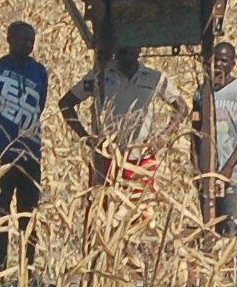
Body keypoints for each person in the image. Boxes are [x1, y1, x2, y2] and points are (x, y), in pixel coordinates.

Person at [59, 43, 187, 187]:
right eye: (124, 44)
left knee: (141, 207)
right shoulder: (99, 76)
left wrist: (163, 137)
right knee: (104, 206)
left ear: (140, 48)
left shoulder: (153, 78)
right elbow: (66, 103)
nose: (128, 49)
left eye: (132, 44)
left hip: (142, 159)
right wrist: (86, 137)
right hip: (107, 158)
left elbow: (181, 107)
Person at [0, 21, 48, 277]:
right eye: (23, 39)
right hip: (2, 155)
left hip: (30, 155)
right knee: (0, 214)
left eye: (31, 39)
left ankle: (27, 272)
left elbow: (40, 106)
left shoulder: (39, 72)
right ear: (9, 40)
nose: (28, 44)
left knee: (28, 216)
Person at [199, 41, 237, 237]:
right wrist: (196, 164)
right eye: (215, 60)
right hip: (206, 172)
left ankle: (233, 265)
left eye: (224, 61)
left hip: (230, 171)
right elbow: (194, 132)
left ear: (233, 63)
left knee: (231, 225)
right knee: (208, 225)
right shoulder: (201, 93)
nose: (218, 66)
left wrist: (228, 167)